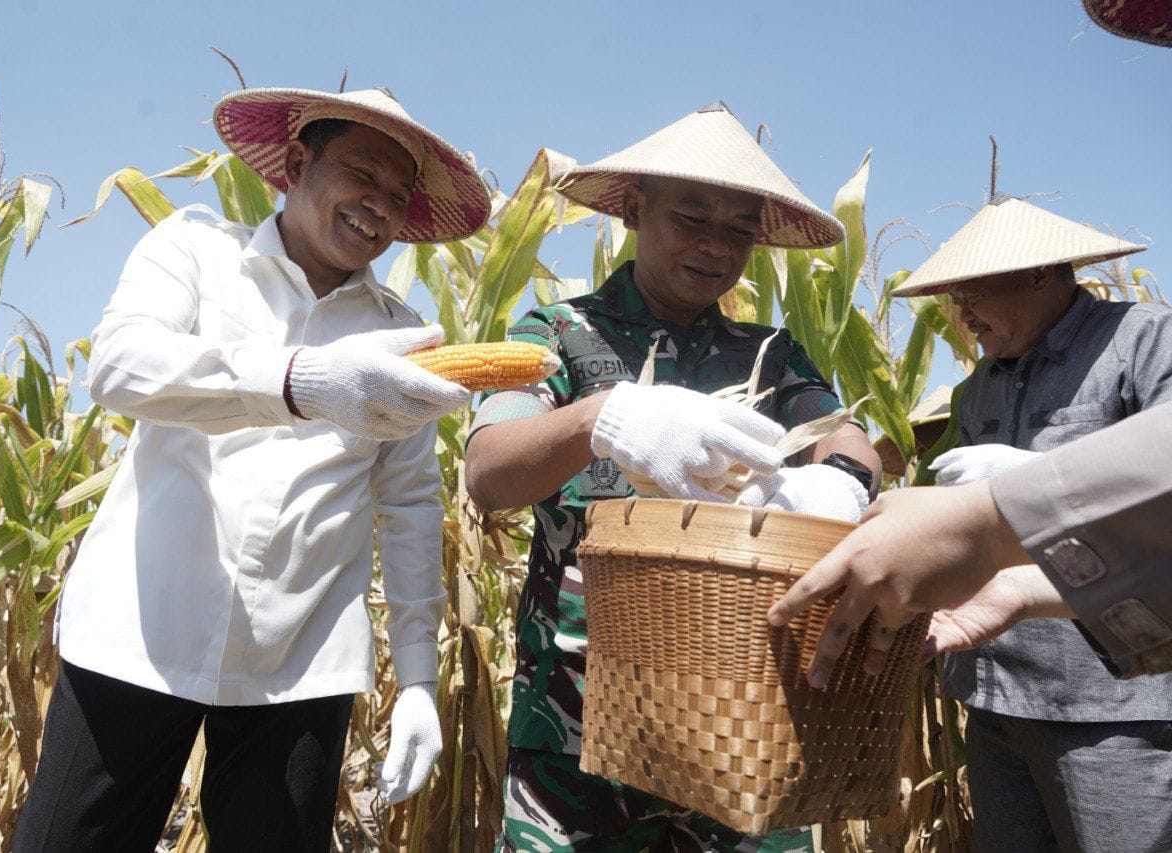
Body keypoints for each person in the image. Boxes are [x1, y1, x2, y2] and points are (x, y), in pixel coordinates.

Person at [14, 87, 491, 851]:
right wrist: (298, 380)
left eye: (399, 195)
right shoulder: (195, 252)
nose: (380, 205)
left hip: (299, 663)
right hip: (137, 633)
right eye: (363, 173)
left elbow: (409, 508)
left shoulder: (404, 338)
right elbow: (119, 366)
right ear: (298, 162)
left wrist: (419, 683)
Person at [465, 102, 881, 852]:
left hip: (745, 722)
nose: (714, 247)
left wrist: (840, 484)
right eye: (691, 218)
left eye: (738, 230)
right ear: (633, 209)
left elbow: (849, 437)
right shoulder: (556, 333)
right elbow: (489, 471)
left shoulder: (773, 356)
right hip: (575, 729)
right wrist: (600, 418)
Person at [820, 192, 1171, 852]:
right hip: (992, 695)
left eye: (968, 289)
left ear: (1039, 273)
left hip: (1108, 707)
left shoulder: (1143, 341)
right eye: (950, 295)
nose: (958, 312)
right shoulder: (978, 385)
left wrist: (1029, 480)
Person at [768, 399, 1172, 682]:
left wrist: (986, 515)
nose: (960, 303)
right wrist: (1023, 588)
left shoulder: (1144, 338)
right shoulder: (979, 390)